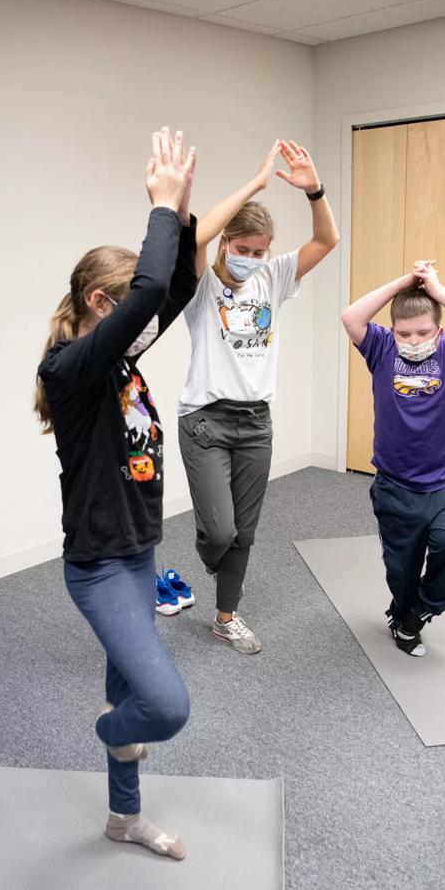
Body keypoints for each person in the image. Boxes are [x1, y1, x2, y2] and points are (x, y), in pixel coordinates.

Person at [35, 128, 197, 859]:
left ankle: (123, 818)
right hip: (99, 565)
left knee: (128, 686)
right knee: (156, 706)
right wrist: (157, 207)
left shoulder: (119, 358)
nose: (140, 324)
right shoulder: (72, 367)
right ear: (103, 303)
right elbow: (154, 290)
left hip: (138, 551)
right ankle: (111, 733)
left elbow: (177, 288)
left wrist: (184, 214)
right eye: (125, 308)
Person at [178, 140, 340, 654]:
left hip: (256, 423)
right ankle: (211, 553)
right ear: (227, 243)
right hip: (205, 419)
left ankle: (226, 617)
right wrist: (256, 183)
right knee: (221, 531)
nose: (250, 259)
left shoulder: (273, 277)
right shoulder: (201, 285)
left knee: (244, 531)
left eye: (258, 251)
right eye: (242, 249)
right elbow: (195, 235)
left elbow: (326, 239)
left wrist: (313, 188)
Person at [341, 260, 445, 656]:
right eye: (404, 333)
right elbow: (351, 316)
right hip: (394, 486)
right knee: (401, 569)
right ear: (392, 332)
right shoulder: (380, 349)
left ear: (439, 331)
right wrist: (404, 283)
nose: (413, 340)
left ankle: (420, 612)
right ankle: (403, 617)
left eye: (423, 332)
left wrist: (436, 290)